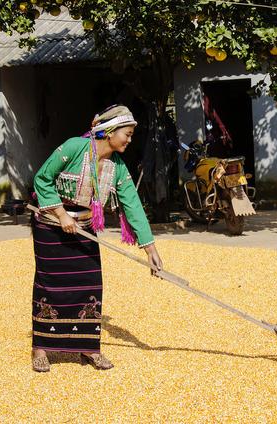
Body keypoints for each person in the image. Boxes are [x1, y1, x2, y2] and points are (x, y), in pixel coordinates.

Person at [30, 105, 163, 372]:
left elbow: (132, 205)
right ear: (110, 131)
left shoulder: (118, 168)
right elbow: (42, 178)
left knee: (90, 284)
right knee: (50, 285)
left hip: (84, 227)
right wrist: (60, 214)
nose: (128, 139)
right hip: (50, 226)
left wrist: (150, 249)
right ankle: (41, 348)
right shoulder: (73, 148)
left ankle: (88, 348)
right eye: (127, 133)